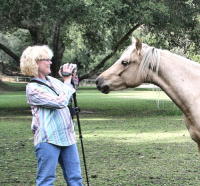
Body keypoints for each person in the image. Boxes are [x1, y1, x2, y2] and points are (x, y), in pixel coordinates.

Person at [20, 45, 83, 186]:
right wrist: (66, 80)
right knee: (46, 180)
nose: (50, 62)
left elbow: (70, 90)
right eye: (46, 60)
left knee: (75, 179)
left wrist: (72, 75)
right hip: (48, 139)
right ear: (34, 62)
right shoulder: (32, 88)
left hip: (67, 137)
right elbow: (60, 102)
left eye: (50, 59)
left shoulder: (53, 81)